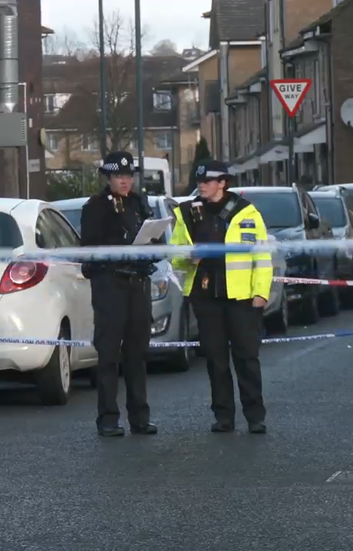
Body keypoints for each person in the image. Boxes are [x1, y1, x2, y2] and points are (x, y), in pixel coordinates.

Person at [169, 159, 273, 434]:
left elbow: (261, 256)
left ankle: (255, 416)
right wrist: (188, 257)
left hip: (241, 297)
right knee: (215, 359)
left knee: (246, 357)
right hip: (205, 296)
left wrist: (261, 293)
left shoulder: (246, 212)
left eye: (208, 181)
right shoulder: (187, 213)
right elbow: (175, 254)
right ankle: (224, 416)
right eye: (199, 181)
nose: (201, 185)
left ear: (223, 183)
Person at [80, 151, 159, 438]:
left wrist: (153, 242)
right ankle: (108, 418)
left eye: (128, 176)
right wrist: (123, 243)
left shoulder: (139, 203)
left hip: (137, 282)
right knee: (109, 353)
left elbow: (155, 240)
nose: (125, 181)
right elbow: (89, 245)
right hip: (109, 283)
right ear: (108, 178)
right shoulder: (95, 207)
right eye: (118, 177)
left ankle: (140, 417)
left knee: (138, 353)